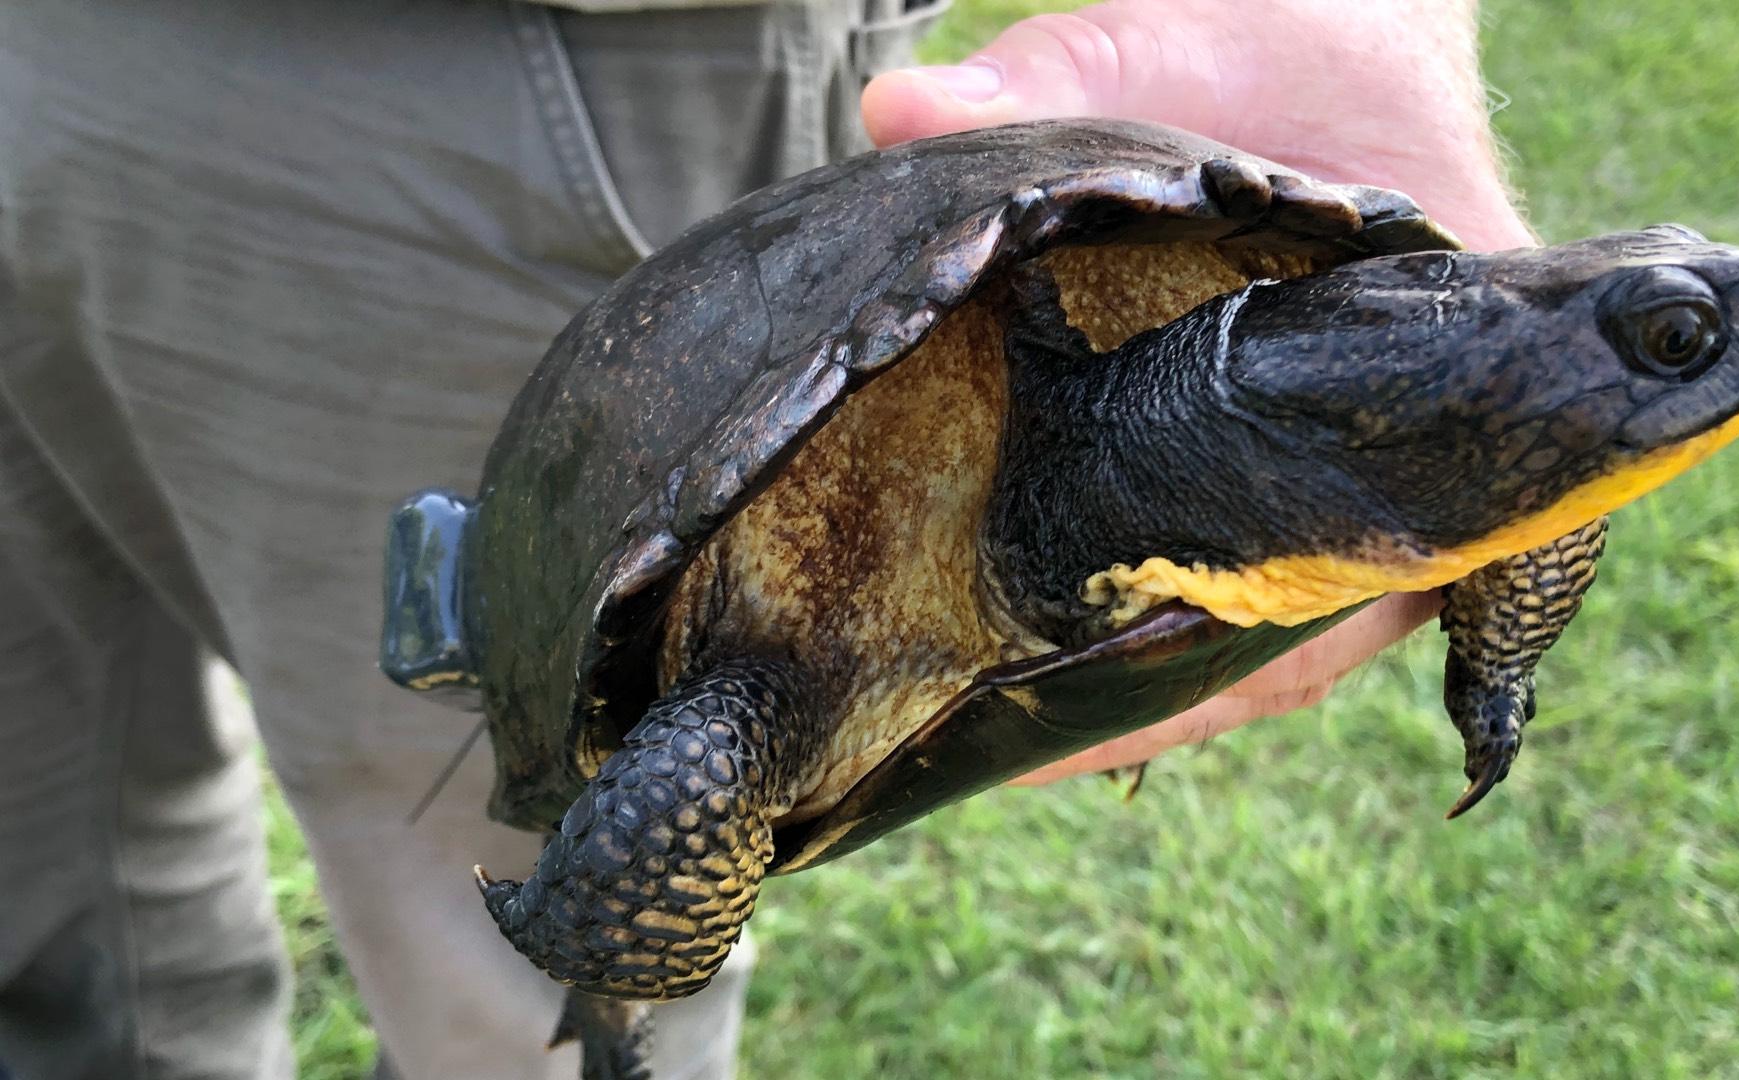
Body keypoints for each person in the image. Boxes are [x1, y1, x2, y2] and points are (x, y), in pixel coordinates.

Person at [0, 1, 1535, 1077]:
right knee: (42, 836)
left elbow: (1529, 428)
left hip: (516, 87)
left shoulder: (1459, 395)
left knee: (543, 970)